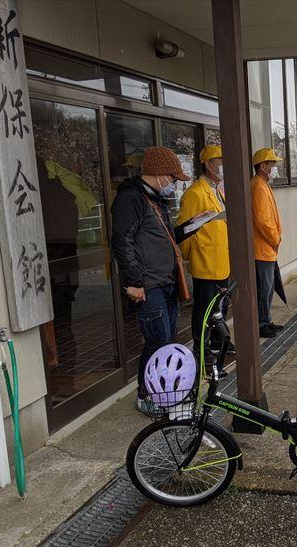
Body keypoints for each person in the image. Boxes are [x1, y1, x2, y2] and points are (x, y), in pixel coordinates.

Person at [110, 146, 192, 415]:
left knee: (166, 340)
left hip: (165, 281)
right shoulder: (130, 200)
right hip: (149, 284)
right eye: (172, 178)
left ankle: (163, 391)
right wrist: (134, 282)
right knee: (157, 341)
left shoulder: (154, 199)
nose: (173, 184)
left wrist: (192, 226)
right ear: (159, 174)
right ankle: (145, 395)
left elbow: (164, 237)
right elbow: (122, 243)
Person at [176, 145, 234, 359]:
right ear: (208, 164)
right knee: (204, 309)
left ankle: (219, 342)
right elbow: (185, 231)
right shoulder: (195, 193)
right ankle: (202, 348)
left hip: (221, 260)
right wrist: (191, 256)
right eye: (220, 161)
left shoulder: (217, 190)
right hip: (205, 261)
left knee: (220, 306)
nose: (224, 165)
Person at [251, 148, 285, 338]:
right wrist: (275, 239)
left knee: (268, 287)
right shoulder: (258, 186)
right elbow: (263, 220)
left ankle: (266, 320)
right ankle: (261, 323)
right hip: (263, 247)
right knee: (264, 289)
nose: (274, 168)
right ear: (263, 166)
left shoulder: (262, 185)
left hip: (267, 247)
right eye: (272, 164)